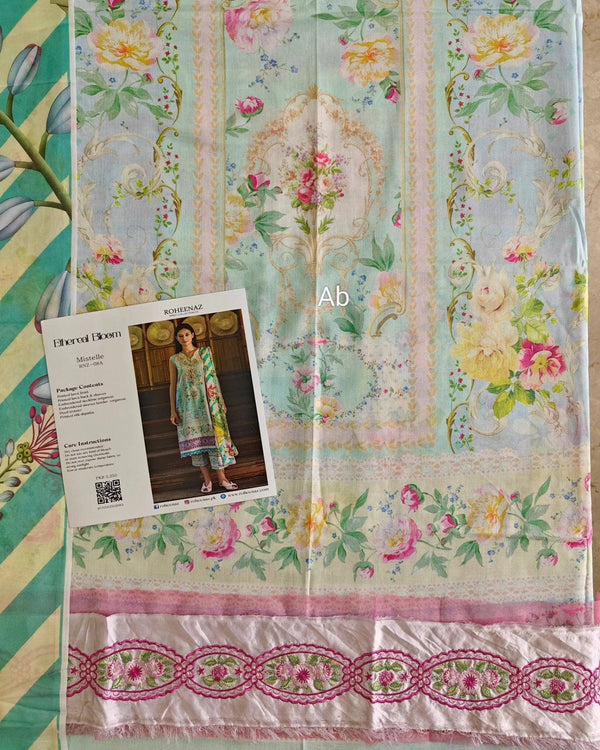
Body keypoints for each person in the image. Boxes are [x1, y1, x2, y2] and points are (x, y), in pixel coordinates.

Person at [169, 322, 238, 493]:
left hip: (208, 404)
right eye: (180, 336)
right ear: (176, 338)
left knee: (215, 440)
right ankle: (207, 481)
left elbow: (213, 377)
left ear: (193, 335)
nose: (184, 338)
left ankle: (222, 479)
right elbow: (173, 385)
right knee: (196, 445)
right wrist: (173, 410)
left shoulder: (205, 353)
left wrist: (221, 401)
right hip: (187, 407)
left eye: (187, 334)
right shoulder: (174, 359)